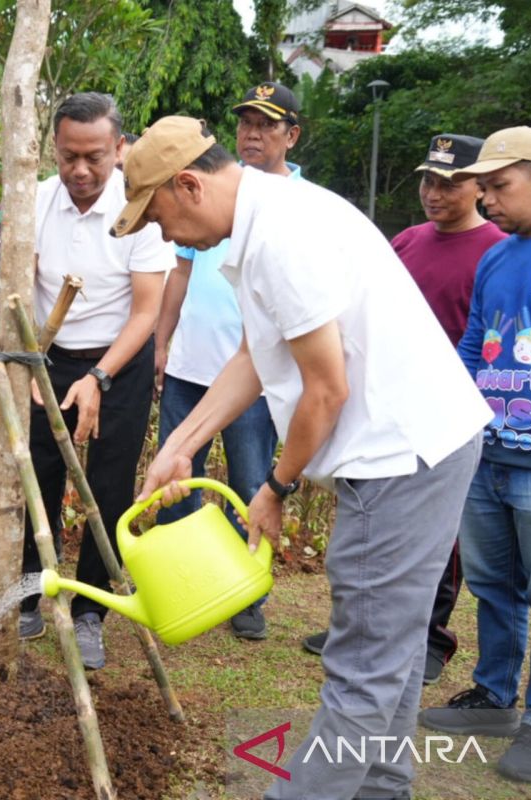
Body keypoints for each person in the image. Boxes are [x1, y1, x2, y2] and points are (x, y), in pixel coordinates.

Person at [119, 116, 490, 800]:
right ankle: (383, 789)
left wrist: (275, 487)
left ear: (189, 184)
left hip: (401, 455)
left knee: (364, 662)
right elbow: (258, 354)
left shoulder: (282, 238)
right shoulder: (268, 220)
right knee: (394, 644)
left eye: (157, 214)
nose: (161, 233)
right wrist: (180, 445)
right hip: (420, 443)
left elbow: (325, 389)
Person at [302, 134, 506, 684]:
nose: (434, 194)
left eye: (450, 183)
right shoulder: (408, 241)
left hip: (451, 413)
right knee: (369, 533)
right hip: (384, 411)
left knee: (439, 541)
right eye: (428, 181)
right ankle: (359, 629)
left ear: (480, 188)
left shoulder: (495, 250)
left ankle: (430, 638)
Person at [418, 127, 531, 785]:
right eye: (482, 188)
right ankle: (493, 695)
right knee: (493, 586)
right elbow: (472, 347)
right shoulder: (496, 257)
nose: (486, 201)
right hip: (486, 458)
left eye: (498, 186)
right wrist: (450, 423)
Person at [18, 93, 174, 669]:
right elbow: (18, 285)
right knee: (37, 476)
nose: (80, 171)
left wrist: (100, 377)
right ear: (53, 151)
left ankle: (90, 612)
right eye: (68, 157)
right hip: (47, 358)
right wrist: (29, 362)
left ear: (120, 149)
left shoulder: (141, 209)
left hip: (119, 363)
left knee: (108, 487)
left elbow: (145, 312)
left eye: (95, 157)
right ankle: (29, 596)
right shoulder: (32, 202)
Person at [152, 81, 302, 641]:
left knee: (249, 483)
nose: (253, 134)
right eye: (245, 123)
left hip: (254, 381)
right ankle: (182, 580)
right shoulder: (207, 198)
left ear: (291, 134)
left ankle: (247, 595)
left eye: (266, 125)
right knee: (177, 478)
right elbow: (181, 272)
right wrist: (162, 343)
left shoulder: (293, 207)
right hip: (194, 367)